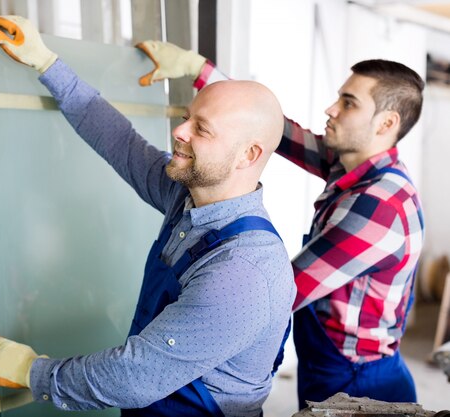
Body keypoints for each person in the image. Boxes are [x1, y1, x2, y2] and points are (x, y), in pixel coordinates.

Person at [0, 15, 295, 417]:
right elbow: (120, 141)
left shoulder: (243, 271)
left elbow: (134, 378)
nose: (180, 132)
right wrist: (45, 62)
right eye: (186, 118)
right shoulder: (188, 197)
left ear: (248, 155)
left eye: (202, 128)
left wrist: (33, 372)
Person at [135, 41, 425, 408]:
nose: (331, 109)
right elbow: (274, 129)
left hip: (359, 376)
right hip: (326, 360)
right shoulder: (352, 166)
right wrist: (198, 69)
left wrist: (204, 299)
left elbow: (280, 292)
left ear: (386, 123)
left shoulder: (379, 205)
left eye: (348, 103)